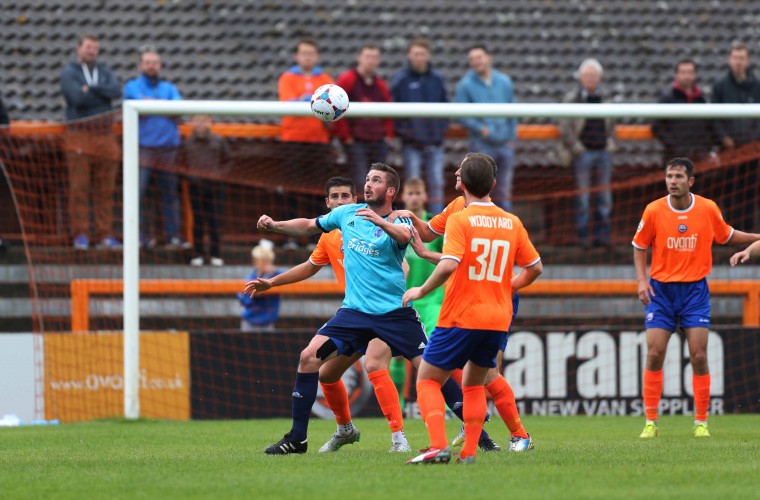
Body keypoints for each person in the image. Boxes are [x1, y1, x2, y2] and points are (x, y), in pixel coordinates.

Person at [250, 164, 498, 454]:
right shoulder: (347, 215)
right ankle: (297, 438)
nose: (368, 185)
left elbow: (405, 239)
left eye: (376, 181)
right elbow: (307, 225)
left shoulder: (400, 219)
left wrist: (380, 222)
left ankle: (478, 433)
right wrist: (275, 225)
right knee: (308, 358)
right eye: (367, 179)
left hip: (394, 315)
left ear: (390, 191)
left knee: (432, 373)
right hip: (354, 314)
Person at [403, 154, 543, 464]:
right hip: (497, 313)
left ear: (463, 182)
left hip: (462, 312)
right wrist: (510, 286)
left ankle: (438, 446)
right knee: (475, 382)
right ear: (492, 183)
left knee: (426, 380)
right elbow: (535, 267)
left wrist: (422, 289)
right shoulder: (511, 221)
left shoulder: (461, 219)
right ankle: (468, 453)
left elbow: (452, 262)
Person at [632, 157, 760, 439]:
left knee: (699, 354)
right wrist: (642, 280)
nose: (672, 181)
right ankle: (651, 422)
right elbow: (639, 247)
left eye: (678, 176)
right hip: (661, 291)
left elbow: (727, 236)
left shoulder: (707, 208)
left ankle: (701, 422)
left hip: (694, 292)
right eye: (669, 176)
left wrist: (756, 237)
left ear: (691, 181)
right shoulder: (653, 210)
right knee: (654, 353)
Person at [60, 34, 122, 250]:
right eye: (88, 47)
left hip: (105, 136)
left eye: (95, 47)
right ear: (79, 48)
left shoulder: (104, 71)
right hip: (79, 135)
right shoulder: (69, 72)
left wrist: (91, 89)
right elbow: (77, 98)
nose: (92, 51)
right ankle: (81, 234)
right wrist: (100, 95)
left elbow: (115, 90)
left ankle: (105, 234)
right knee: (80, 188)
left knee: (106, 189)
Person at [123, 46, 186, 249]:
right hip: (143, 149)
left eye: (155, 62)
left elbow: (178, 108)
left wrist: (152, 104)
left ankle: (172, 236)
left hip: (168, 149)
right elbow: (137, 105)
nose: (151, 66)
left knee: (170, 195)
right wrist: (163, 106)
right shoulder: (132, 86)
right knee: (138, 194)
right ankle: (139, 237)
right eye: (148, 62)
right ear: (141, 65)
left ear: (160, 66)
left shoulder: (170, 87)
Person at [559, 58, 616, 248]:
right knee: (583, 198)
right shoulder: (572, 99)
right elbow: (565, 127)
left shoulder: (607, 99)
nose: (590, 79)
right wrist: (577, 148)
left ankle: (603, 237)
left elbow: (613, 125)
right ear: (581, 78)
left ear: (599, 78)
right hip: (583, 154)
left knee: (604, 197)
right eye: (587, 75)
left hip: (603, 153)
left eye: (593, 75)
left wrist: (610, 143)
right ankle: (583, 238)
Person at [391, 38, 450, 214]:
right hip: (411, 144)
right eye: (416, 54)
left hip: (435, 143)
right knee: (412, 184)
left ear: (428, 55)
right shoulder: (401, 80)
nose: (419, 57)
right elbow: (393, 110)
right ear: (410, 55)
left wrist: (439, 132)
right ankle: (411, 222)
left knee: (437, 183)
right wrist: (406, 133)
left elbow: (446, 107)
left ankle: (437, 225)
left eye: (422, 54)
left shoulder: (437, 79)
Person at [455, 45, 517, 212]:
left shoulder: (504, 82)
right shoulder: (465, 85)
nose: (476, 61)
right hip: (481, 146)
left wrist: (511, 138)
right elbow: (459, 114)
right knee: (480, 192)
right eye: (472, 59)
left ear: (488, 57)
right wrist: (479, 128)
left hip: (505, 145)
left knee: (504, 192)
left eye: (479, 57)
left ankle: (506, 234)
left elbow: (514, 110)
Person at [711, 41, 760, 230]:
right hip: (730, 151)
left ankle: (747, 236)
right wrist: (725, 139)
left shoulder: (757, 85)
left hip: (752, 151)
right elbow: (713, 117)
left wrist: (755, 141)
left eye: (742, 58)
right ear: (729, 59)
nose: (738, 62)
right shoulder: (720, 85)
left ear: (747, 61)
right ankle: (730, 234)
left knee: (750, 193)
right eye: (735, 57)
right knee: (730, 192)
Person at [334, 45, 394, 193]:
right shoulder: (347, 80)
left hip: (378, 141)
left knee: (380, 182)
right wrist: (346, 136)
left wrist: (388, 135)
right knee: (361, 182)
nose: (371, 61)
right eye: (368, 56)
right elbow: (335, 107)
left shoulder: (380, 84)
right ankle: (361, 215)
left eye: (374, 57)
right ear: (359, 57)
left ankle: (379, 215)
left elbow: (389, 110)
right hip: (356, 142)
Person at [184, 115, 230, 267]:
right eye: (197, 120)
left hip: (215, 187)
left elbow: (229, 161)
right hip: (195, 187)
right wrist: (189, 177)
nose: (200, 124)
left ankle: (215, 254)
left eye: (204, 121)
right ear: (192, 123)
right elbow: (180, 163)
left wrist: (219, 175)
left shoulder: (219, 141)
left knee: (215, 220)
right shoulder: (187, 143)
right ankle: (197, 254)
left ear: (210, 123)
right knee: (197, 221)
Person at [652, 59, 717, 163]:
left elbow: (710, 126)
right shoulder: (667, 99)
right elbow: (657, 126)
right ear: (676, 75)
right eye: (683, 72)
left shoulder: (701, 100)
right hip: (675, 158)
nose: (687, 76)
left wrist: (706, 148)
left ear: (695, 75)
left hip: (700, 157)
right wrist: (673, 146)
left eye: (690, 72)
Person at [237, 241, 283, 331]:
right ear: (255, 262)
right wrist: (255, 296)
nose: (266, 265)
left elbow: (289, 276)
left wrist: (275, 270)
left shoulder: (276, 276)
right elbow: (242, 299)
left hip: (268, 321)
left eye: (268, 262)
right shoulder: (249, 278)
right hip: (249, 320)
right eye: (263, 262)